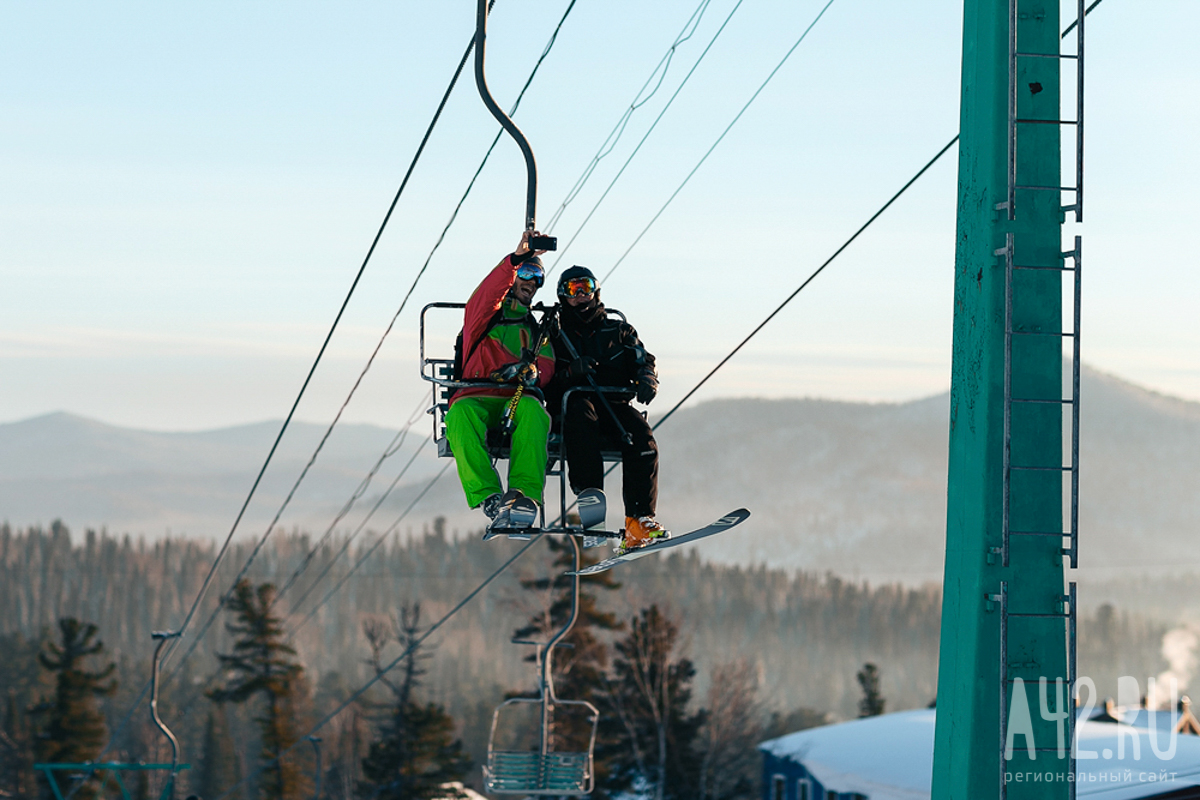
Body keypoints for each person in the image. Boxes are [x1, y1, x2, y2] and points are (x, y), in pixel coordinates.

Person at [547, 265, 668, 553]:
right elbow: (544, 378)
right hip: (573, 404)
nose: (581, 297)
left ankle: (639, 520)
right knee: (582, 417)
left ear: (596, 290)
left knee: (642, 439)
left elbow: (642, 359)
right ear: (563, 296)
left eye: (585, 288)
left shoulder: (618, 330)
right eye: (573, 291)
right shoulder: (556, 333)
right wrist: (570, 373)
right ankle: (590, 499)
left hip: (614, 405)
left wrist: (646, 379)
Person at [445, 231, 556, 530]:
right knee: (458, 416)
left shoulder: (534, 327)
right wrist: (515, 258)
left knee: (535, 413)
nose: (532, 282)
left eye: (539, 278)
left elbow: (546, 362)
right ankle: (490, 497)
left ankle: (524, 495)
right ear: (514, 277)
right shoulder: (486, 317)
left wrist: (534, 373)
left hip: (514, 397)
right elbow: (486, 294)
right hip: (476, 394)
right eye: (528, 273)